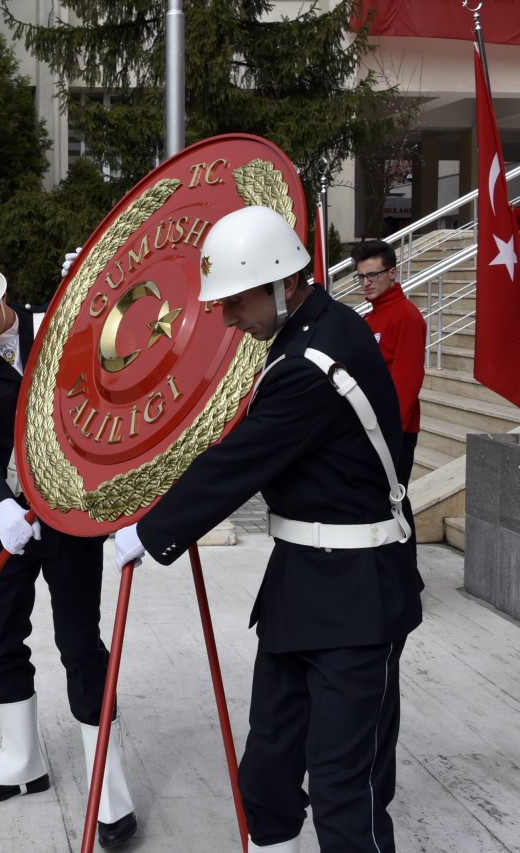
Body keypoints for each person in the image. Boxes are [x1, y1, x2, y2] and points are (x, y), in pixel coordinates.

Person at [113, 206, 424, 853]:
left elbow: (239, 461)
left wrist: (150, 531)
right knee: (268, 773)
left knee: (346, 790)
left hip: (358, 601)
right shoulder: (305, 333)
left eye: (233, 301)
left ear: (283, 283)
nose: (226, 318)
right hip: (300, 586)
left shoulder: (317, 357)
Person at [0, 247, 137, 848]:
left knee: (80, 642)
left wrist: (103, 282)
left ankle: (110, 784)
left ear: (1, 296)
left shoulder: (60, 328)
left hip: (72, 515)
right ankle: (23, 757)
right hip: (9, 517)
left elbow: (124, 367)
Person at [352, 239, 426, 549]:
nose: (366, 283)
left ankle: (407, 579)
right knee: (383, 502)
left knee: (394, 501)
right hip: (372, 428)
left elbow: (406, 387)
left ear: (392, 274)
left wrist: (385, 438)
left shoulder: (406, 317)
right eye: (361, 276)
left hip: (393, 431)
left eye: (373, 275)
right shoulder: (371, 316)